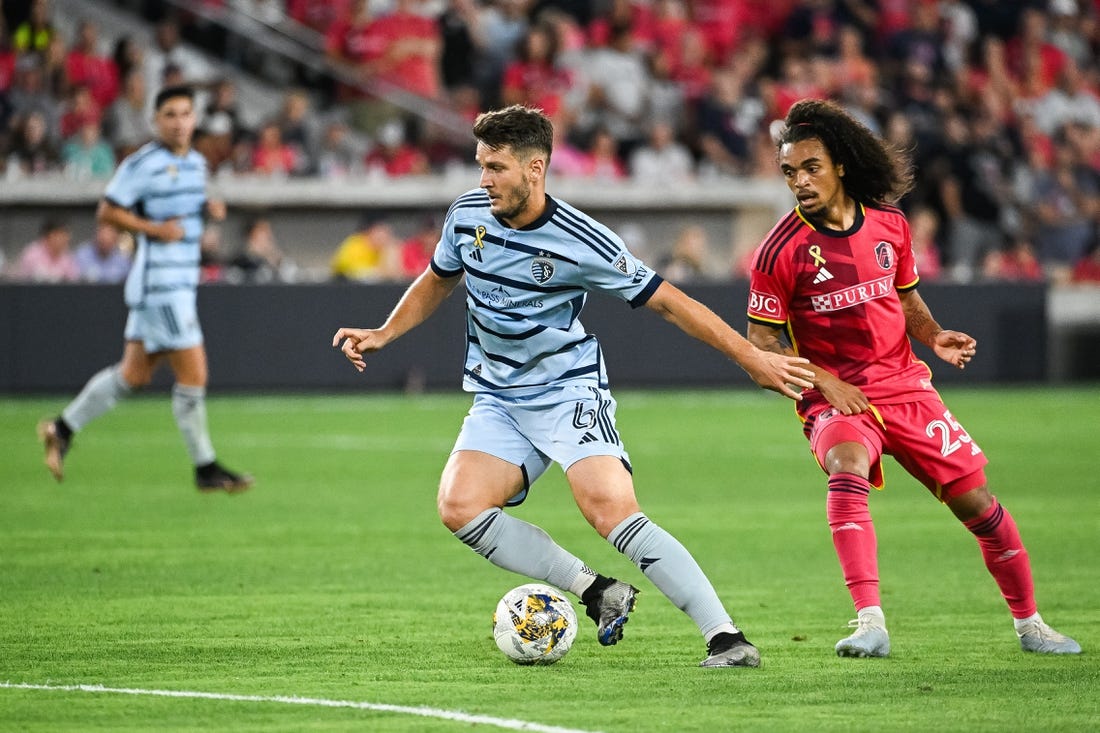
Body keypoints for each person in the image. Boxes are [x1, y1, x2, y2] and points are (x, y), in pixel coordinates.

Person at [332, 105, 815, 667]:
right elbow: (438, 279)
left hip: (567, 391)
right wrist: (385, 332)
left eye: (497, 168)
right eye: (481, 166)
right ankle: (596, 591)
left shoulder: (582, 240)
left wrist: (751, 356)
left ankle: (725, 637)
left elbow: (669, 303)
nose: (483, 179)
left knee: (610, 509)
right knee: (459, 506)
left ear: (535, 169)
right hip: (498, 396)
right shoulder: (466, 215)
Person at [745, 99, 1080, 658]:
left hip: (906, 387)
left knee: (979, 506)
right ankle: (869, 622)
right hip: (837, 395)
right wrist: (825, 384)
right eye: (789, 172)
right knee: (846, 466)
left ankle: (1031, 625)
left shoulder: (889, 225)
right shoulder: (779, 251)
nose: (799, 182)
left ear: (841, 166)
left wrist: (935, 335)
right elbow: (762, 344)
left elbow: (904, 297)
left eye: (810, 168)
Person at [37, 85, 252, 493]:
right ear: (156, 121)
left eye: (185, 113)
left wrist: (209, 210)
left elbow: (184, 212)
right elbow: (108, 211)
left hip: (180, 283)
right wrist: (152, 229)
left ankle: (61, 428)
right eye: (169, 114)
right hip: (160, 285)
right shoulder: (143, 164)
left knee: (133, 375)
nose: (178, 122)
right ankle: (206, 468)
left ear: (194, 119)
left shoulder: (195, 165)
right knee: (194, 372)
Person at [12, 217, 78, 283]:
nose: (66, 239)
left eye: (67, 235)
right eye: (61, 234)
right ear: (49, 235)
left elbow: (74, 282)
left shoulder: (68, 256)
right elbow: (21, 283)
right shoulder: (32, 254)